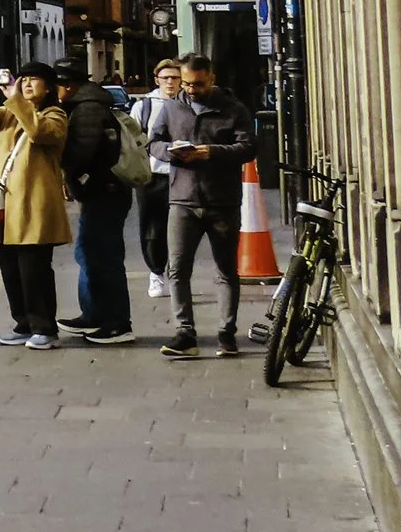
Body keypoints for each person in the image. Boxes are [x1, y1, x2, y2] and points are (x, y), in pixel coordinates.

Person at [157, 52, 256, 360]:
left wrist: (211, 152)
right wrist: (171, 152)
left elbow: (248, 148)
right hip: (182, 199)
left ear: (211, 78)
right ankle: (185, 333)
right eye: (186, 83)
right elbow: (154, 142)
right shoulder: (171, 108)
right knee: (177, 269)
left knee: (226, 270)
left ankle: (227, 333)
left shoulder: (233, 109)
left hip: (221, 201)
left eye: (198, 84)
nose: (191, 89)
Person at [0, 63, 72, 348]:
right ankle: (24, 323)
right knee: (11, 270)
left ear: (49, 87)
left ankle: (45, 328)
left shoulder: (55, 115)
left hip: (34, 206)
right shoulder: (11, 113)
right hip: (7, 205)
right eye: (24, 79)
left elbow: (39, 132)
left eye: (34, 80)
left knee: (34, 270)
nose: (27, 84)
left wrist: (15, 99)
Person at [57, 72, 139, 345]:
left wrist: (66, 173)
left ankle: (118, 324)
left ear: (68, 85)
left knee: (105, 258)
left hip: (106, 192)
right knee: (88, 253)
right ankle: (94, 315)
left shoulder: (88, 109)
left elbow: (80, 153)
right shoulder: (86, 105)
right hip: (101, 192)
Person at [132, 60, 184, 299]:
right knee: (152, 228)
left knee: (181, 229)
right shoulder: (144, 106)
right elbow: (132, 140)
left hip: (182, 175)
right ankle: (155, 273)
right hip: (151, 176)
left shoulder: (188, 104)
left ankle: (177, 275)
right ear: (157, 80)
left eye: (175, 77)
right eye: (166, 78)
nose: (170, 82)